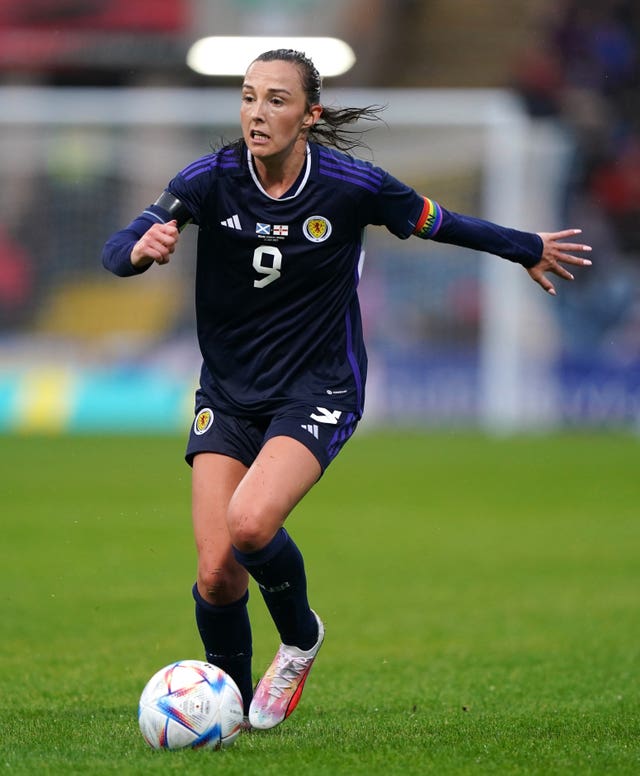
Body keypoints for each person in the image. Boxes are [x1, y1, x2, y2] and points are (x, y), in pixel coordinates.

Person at [101, 49, 592, 731]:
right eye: (248, 97)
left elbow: (441, 221)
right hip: (230, 392)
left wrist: (523, 245)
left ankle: (300, 639)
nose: (256, 113)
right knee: (216, 574)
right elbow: (121, 243)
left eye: (276, 99)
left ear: (310, 115)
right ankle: (231, 713)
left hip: (318, 385)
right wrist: (137, 250)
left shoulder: (351, 185)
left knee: (249, 525)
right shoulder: (209, 180)